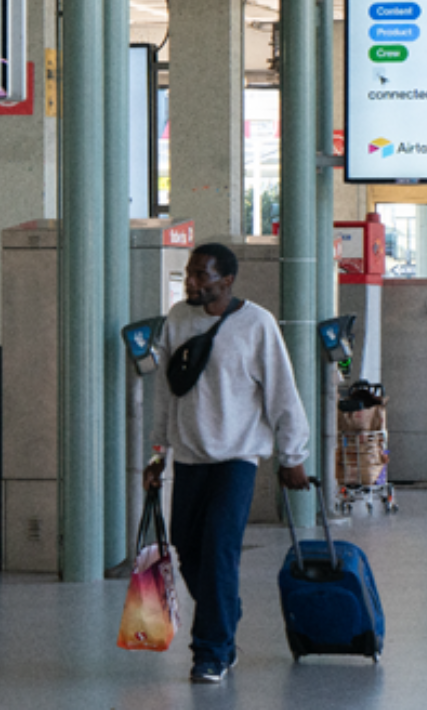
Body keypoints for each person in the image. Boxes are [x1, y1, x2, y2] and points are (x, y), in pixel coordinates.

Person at [144, 242, 310, 684]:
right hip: (190, 455)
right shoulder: (178, 319)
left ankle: (212, 651)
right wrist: (158, 452)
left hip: (238, 456)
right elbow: (166, 390)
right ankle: (226, 609)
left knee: (218, 549)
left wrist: (293, 455)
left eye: (202, 274)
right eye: (189, 273)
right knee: (187, 546)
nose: (192, 282)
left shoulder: (256, 324)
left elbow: (282, 393)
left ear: (227, 280)